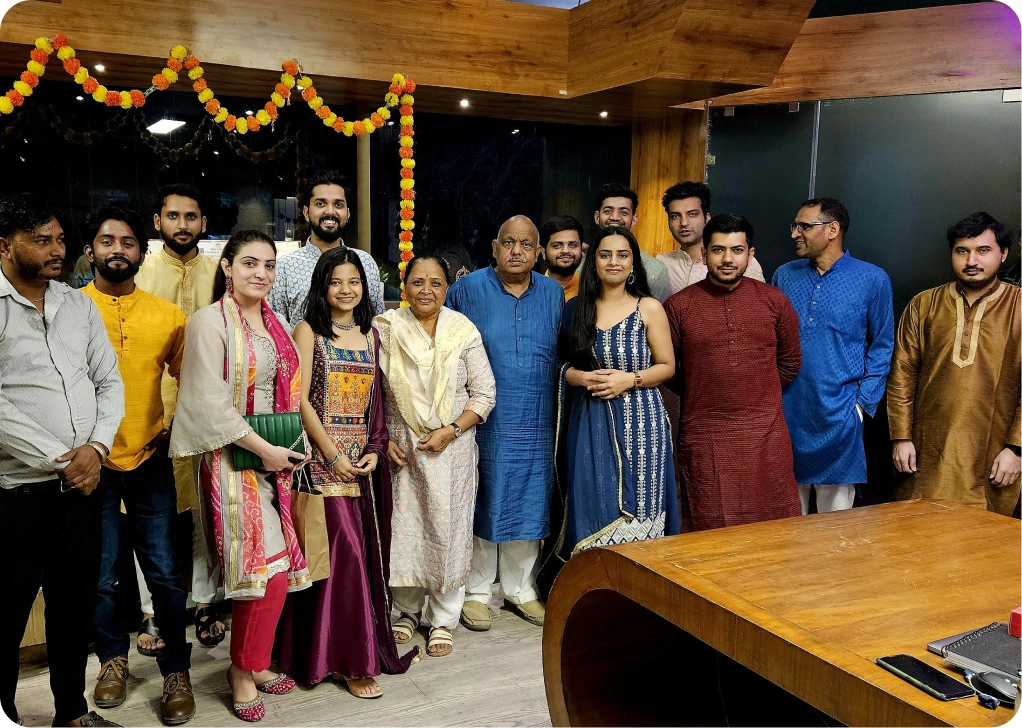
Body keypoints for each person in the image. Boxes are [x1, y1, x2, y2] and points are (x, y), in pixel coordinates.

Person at [168, 231, 312, 722]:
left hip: (275, 459)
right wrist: (264, 450)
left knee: (276, 571)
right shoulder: (209, 323)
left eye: (269, 265)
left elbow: (285, 393)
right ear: (226, 267)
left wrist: (291, 447)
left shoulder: (277, 323)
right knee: (262, 570)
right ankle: (243, 671)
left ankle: (254, 660)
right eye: (249, 263)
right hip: (233, 460)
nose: (261, 274)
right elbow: (208, 403)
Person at [0, 194, 124, 728]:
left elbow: (108, 381)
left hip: (81, 493)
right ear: (6, 246)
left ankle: (71, 715)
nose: (58, 250)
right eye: (41, 240)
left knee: (73, 613)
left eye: (59, 239)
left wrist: (95, 450)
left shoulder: (78, 305)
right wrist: (61, 459)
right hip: (17, 495)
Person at [277, 247, 417, 696]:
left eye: (353, 282)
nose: (345, 290)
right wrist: (332, 454)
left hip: (360, 468)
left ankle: (329, 652)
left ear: (366, 287)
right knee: (342, 558)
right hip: (320, 465)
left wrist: (376, 450)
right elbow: (298, 401)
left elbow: (377, 403)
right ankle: (350, 662)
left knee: (350, 561)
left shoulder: (371, 335)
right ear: (322, 286)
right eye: (336, 281)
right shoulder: (309, 332)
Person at [80, 205, 194, 725]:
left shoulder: (167, 316)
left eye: (128, 242)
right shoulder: (70, 310)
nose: (118, 250)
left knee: (166, 572)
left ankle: (176, 670)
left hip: (149, 453)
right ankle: (112, 661)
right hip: (89, 461)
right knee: (101, 573)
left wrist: (172, 425)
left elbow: (188, 378)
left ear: (141, 253)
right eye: (108, 241)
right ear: (91, 250)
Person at [446, 216, 563, 630]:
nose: (517, 251)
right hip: (482, 421)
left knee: (531, 501)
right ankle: (477, 592)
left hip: (536, 417)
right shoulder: (466, 290)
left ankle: (520, 589)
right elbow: (444, 349)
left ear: (539, 251)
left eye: (526, 244)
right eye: (509, 243)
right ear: (494, 247)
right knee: (483, 499)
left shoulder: (553, 293)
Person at [377, 254, 496, 658]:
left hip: (453, 449)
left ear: (448, 288)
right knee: (404, 531)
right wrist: (381, 439)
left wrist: (451, 430)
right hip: (401, 447)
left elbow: (485, 395)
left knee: (449, 531)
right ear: (403, 286)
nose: (426, 290)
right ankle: (406, 613)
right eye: (417, 282)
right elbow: (371, 392)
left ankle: (443, 618)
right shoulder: (385, 328)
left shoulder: (463, 331)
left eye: (436, 283)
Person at [664, 213, 802, 530]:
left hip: (765, 435)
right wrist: (707, 388)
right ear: (704, 253)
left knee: (774, 528)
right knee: (708, 526)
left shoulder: (774, 301)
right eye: (718, 250)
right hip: (705, 436)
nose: (728, 259)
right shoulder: (679, 306)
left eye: (737, 250)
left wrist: (757, 390)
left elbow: (791, 361)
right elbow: (669, 369)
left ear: (750, 254)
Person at [136, 183, 226, 649]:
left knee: (203, 511)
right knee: (152, 514)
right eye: (173, 216)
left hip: (207, 408)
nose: (183, 225)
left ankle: (207, 601)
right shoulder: (142, 271)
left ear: (204, 224)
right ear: (158, 222)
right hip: (149, 409)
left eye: (191, 217)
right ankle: (153, 610)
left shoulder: (218, 273)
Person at [888, 212, 1021, 514]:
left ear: (1003, 254)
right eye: (962, 251)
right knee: (920, 534)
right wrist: (901, 437)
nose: (971, 260)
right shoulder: (924, 305)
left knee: (981, 546)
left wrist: (1017, 450)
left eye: (983, 250)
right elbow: (902, 375)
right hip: (924, 452)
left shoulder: (1019, 306)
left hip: (995, 456)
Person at [557, 226, 679, 554]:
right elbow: (560, 367)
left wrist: (630, 379)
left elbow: (667, 366)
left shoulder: (649, 307)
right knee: (593, 499)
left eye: (623, 255)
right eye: (605, 254)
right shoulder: (575, 309)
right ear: (592, 261)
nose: (614, 262)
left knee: (643, 501)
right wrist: (581, 377)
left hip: (643, 421)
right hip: (591, 419)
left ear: (633, 263)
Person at [773, 198, 894, 514]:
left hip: (840, 415)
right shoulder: (785, 276)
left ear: (832, 229)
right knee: (784, 518)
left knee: (836, 527)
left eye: (804, 226)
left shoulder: (872, 279)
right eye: (795, 226)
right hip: (787, 411)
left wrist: (861, 406)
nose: (795, 233)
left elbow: (882, 346)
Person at [270, 169, 384, 326]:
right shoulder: (284, 267)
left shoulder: (365, 262)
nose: (330, 211)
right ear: (306, 212)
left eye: (338, 204)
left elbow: (378, 324)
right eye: (320, 204)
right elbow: (277, 330)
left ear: (347, 213)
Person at [656, 181, 765, 297]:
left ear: (707, 218)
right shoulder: (662, 264)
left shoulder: (741, 262)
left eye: (692, 214)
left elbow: (759, 305)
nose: (683, 223)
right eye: (675, 216)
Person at [593, 183, 669, 301]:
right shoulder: (580, 265)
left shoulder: (654, 270)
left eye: (623, 212)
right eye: (608, 211)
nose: (615, 217)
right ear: (597, 217)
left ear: (634, 220)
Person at [540, 215, 584, 300]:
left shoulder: (593, 291)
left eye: (572, 245)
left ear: (581, 249)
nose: (565, 251)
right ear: (543, 252)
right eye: (557, 245)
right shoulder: (531, 292)